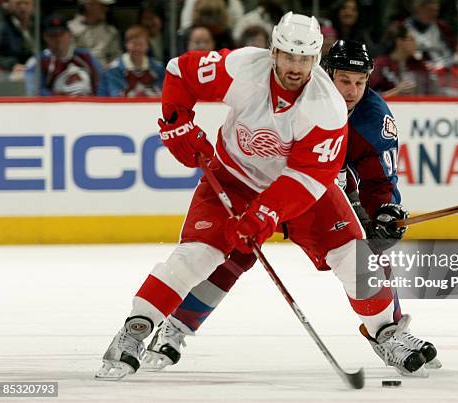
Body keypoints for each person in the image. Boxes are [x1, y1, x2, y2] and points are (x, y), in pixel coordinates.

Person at [96, 13, 437, 380]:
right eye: (289, 56)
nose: (296, 67)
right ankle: (134, 331)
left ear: (315, 59)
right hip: (233, 180)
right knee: (195, 255)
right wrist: (177, 121)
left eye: (304, 59)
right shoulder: (243, 67)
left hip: (304, 192)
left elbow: (309, 177)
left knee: (354, 256)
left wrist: (266, 213)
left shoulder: (328, 107)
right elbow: (181, 71)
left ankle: (387, 332)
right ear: (273, 51)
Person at [25, 13, 102, 96]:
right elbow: (34, 92)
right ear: (45, 37)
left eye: (61, 34)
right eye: (53, 35)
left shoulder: (87, 56)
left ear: (70, 35)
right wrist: (64, 99)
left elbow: (102, 85)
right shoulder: (37, 62)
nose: (58, 39)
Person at [97, 25, 164, 97]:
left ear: (147, 46)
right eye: (134, 44)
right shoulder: (114, 69)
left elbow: (161, 94)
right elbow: (116, 96)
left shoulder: (158, 68)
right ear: (126, 45)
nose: (137, 48)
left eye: (141, 44)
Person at [370, 25, 433, 96]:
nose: (416, 44)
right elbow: (367, 96)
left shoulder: (418, 64)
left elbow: (429, 91)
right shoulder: (380, 64)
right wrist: (396, 91)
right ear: (399, 41)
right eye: (412, 39)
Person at [68, 0, 122, 66]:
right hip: (77, 72)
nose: (107, 9)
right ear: (89, 5)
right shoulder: (69, 29)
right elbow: (67, 57)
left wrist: (110, 69)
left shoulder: (111, 31)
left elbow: (116, 58)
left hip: (105, 73)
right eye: (102, 6)